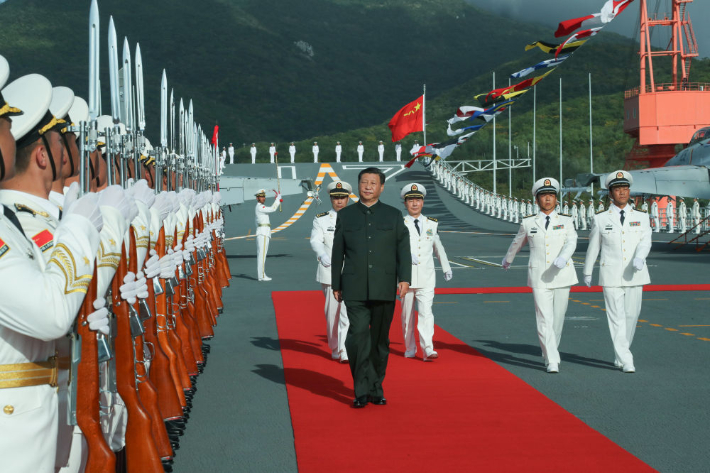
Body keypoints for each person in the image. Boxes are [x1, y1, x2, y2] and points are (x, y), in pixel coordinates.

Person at [0, 66, 110, 472]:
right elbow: (50, 312)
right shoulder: (19, 220)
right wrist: (88, 226)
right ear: (44, 153)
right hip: (15, 433)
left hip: (42, 416)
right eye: (5, 127)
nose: (9, 139)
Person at [331, 167, 411, 408]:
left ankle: (376, 387)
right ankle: (361, 389)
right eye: (364, 182)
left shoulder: (394, 215)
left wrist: (404, 278)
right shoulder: (346, 216)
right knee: (356, 339)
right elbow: (338, 253)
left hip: (385, 287)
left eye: (373, 183)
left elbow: (403, 250)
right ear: (358, 185)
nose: (367, 186)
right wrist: (336, 283)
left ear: (381, 187)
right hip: (354, 287)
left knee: (379, 341)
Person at [502, 178, 578, 373]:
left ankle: (549, 350)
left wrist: (563, 257)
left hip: (562, 274)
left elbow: (571, 242)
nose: (548, 199)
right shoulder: (529, 222)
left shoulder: (567, 221)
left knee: (558, 319)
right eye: (544, 196)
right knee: (544, 318)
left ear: (556, 199)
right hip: (539, 276)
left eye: (551, 196)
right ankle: (552, 359)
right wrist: (508, 258)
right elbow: (517, 242)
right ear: (537, 200)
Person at [583, 170, 652, 373]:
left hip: (635, 273)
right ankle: (627, 359)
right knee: (616, 319)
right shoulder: (601, 219)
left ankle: (620, 353)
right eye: (617, 189)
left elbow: (645, 240)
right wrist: (587, 271)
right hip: (611, 274)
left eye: (625, 188)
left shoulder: (642, 216)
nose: (622, 192)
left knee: (631, 316)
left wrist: (640, 257)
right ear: (610, 194)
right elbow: (593, 247)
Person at [399, 183, 451, 361]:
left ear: (423, 202)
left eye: (418, 200)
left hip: (427, 276)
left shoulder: (431, 224)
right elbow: (391, 247)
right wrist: (405, 255)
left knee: (426, 313)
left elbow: (438, 247)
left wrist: (446, 267)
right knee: (407, 317)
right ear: (405, 203)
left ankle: (428, 348)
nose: (415, 204)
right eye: (411, 200)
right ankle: (410, 347)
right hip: (406, 277)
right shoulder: (399, 223)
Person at [310, 181, 352, 363]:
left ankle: (344, 349)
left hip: (352, 272)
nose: (339, 201)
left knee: (347, 312)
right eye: (336, 198)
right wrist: (321, 254)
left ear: (348, 198)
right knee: (331, 313)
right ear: (331, 198)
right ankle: (334, 345)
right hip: (329, 272)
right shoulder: (321, 219)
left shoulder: (356, 217)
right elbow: (315, 240)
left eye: (342, 197)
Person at [254, 188, 282, 281]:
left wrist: (277, 199)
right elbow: (272, 209)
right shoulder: (260, 207)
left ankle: (261, 275)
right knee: (262, 255)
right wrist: (277, 200)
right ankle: (261, 276)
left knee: (262, 255)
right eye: (261, 197)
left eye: (264, 197)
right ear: (257, 198)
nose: (263, 198)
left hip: (263, 231)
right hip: (263, 232)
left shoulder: (261, 207)